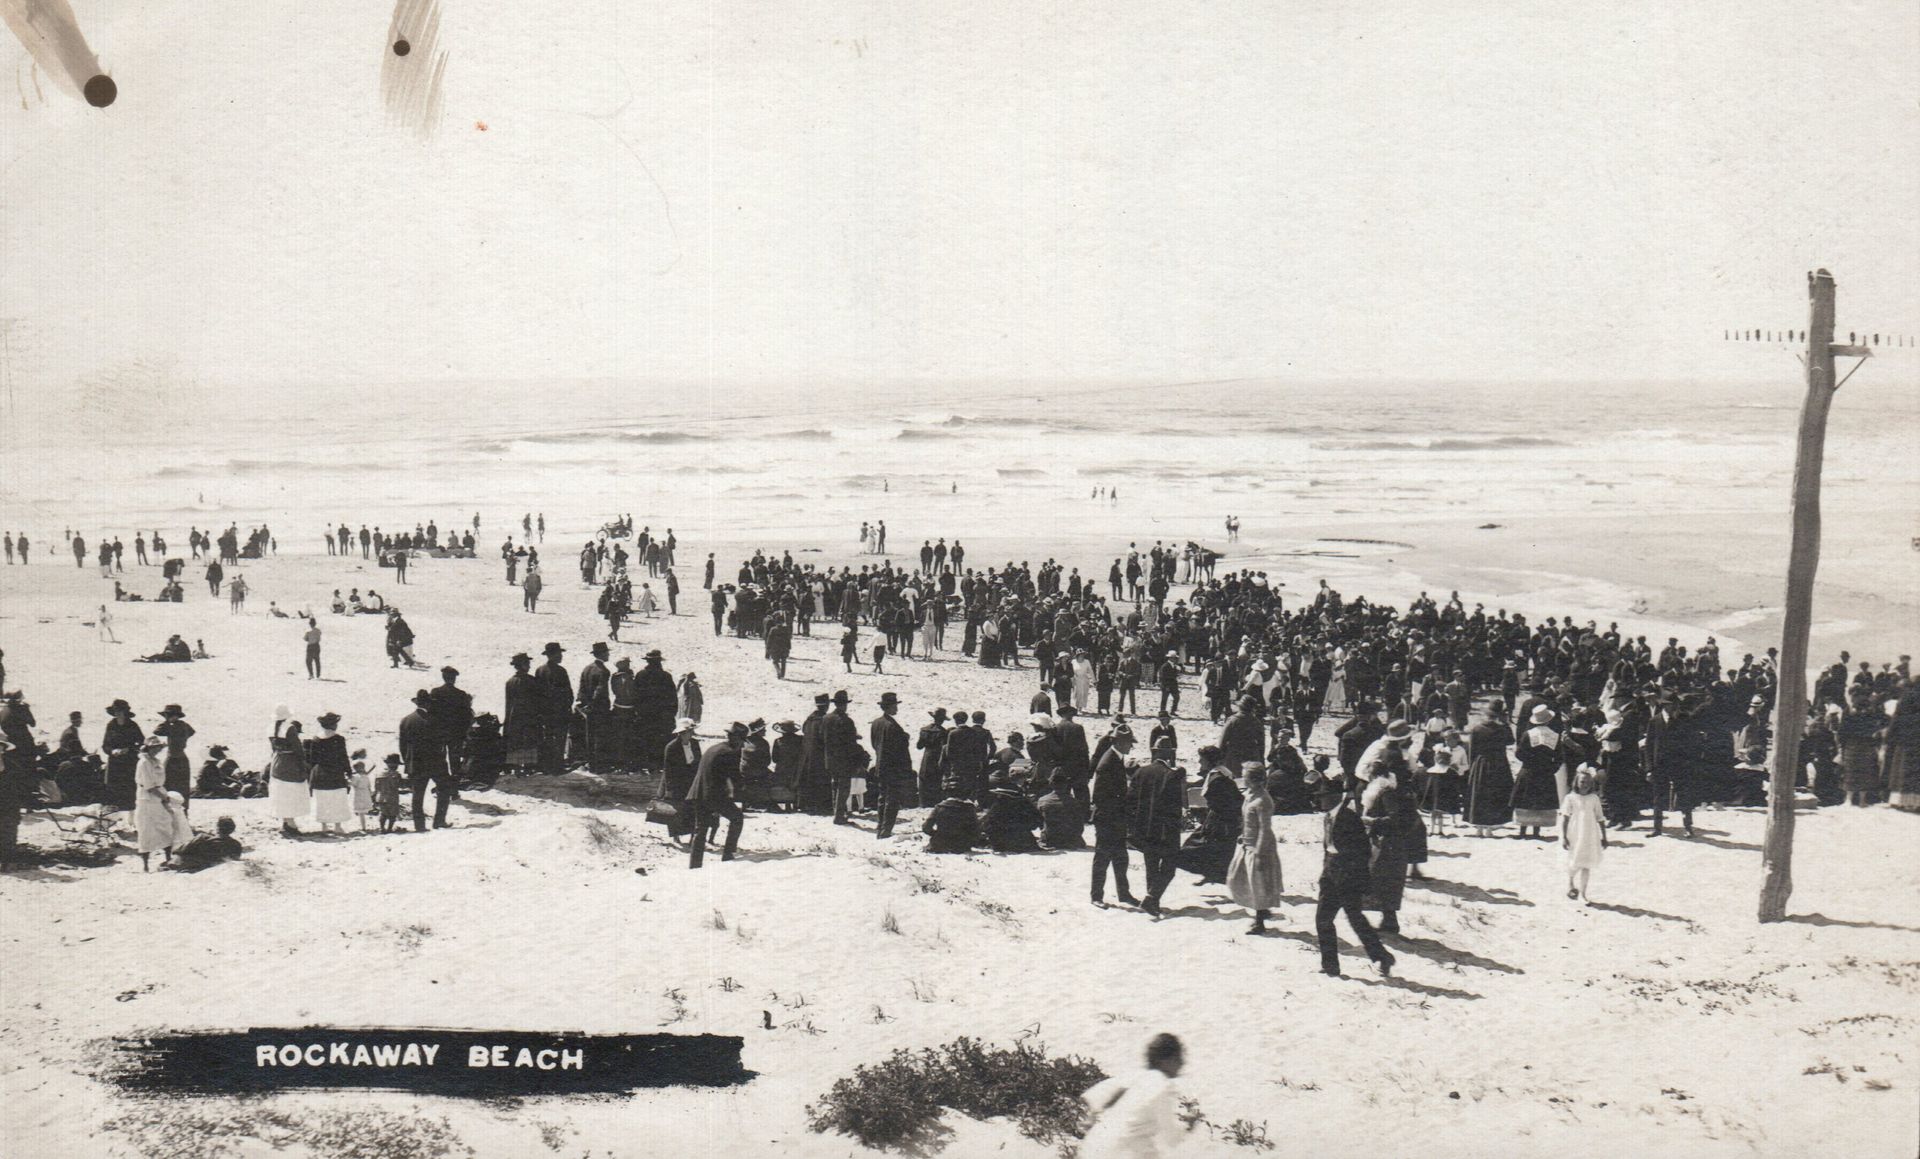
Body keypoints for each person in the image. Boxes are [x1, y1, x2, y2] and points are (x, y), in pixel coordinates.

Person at [1313, 769, 1394, 978]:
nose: (1319, 802)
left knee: (1356, 920)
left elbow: (1362, 852)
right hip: (1330, 874)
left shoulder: (1349, 819)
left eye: (1322, 798)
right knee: (1323, 919)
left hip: (1348, 878)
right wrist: (1325, 872)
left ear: (1334, 798)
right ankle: (1330, 966)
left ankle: (1382, 957)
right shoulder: (1328, 817)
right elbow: (1328, 848)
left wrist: (1352, 878)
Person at [1079, 1033, 1192, 1159]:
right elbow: (1171, 1138)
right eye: (1178, 1058)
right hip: (1122, 1152)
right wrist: (1188, 1127)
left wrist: (1093, 1118)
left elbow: (1096, 1098)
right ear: (1165, 1061)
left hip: (1093, 1146)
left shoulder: (1135, 1076)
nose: (1182, 1063)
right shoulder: (1160, 1084)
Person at [1127, 743, 1186, 916]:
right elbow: (1176, 806)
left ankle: (1152, 902)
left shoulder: (1140, 772)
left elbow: (1130, 801)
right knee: (1169, 867)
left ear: (1153, 752)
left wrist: (1135, 825)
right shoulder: (1172, 775)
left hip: (1145, 829)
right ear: (1169, 754)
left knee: (1151, 866)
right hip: (1166, 829)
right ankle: (1152, 898)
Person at [1227, 764, 1284, 934]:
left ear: (1254, 779)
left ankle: (1259, 922)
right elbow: (1248, 820)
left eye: (1245, 775)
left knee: (1258, 883)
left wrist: (1259, 851)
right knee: (1240, 879)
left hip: (1260, 846)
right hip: (1247, 843)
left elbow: (1265, 828)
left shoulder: (1263, 800)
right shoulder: (1250, 795)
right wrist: (1243, 834)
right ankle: (1263, 911)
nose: (1242, 778)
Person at [686, 722, 746, 868]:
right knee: (737, 818)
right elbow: (734, 777)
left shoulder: (714, 748)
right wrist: (745, 789)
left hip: (697, 793)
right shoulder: (729, 752)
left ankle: (694, 864)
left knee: (700, 829)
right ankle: (728, 854)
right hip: (714, 795)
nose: (742, 745)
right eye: (742, 741)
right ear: (737, 739)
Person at [1090, 723, 1138, 907]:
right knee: (1102, 858)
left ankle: (1124, 894)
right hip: (1107, 819)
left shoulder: (1115, 759)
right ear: (1118, 742)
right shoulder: (1108, 762)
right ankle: (1096, 896)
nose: (1130, 746)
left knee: (1121, 857)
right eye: (1128, 742)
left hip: (1115, 818)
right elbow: (1100, 796)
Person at [399, 689, 455, 831]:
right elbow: (443, 741)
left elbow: (403, 745)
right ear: (428, 704)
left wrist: (408, 762)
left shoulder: (406, 720)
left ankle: (419, 826)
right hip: (435, 762)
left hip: (415, 763)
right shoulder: (436, 720)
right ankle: (439, 821)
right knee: (444, 789)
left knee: (417, 795)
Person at [134, 736, 191, 869]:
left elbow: (160, 782)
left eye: (158, 748)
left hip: (159, 795)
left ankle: (168, 858)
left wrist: (164, 796)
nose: (156, 750)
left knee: (166, 825)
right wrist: (164, 798)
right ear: (148, 748)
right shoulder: (144, 763)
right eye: (154, 748)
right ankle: (146, 865)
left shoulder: (157, 761)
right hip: (146, 798)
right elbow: (148, 785)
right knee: (146, 829)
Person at [1463, 699, 1515, 836]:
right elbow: (1511, 741)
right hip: (1498, 763)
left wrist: (1471, 766)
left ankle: (1479, 827)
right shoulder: (1502, 729)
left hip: (1481, 762)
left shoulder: (1477, 729)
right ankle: (1490, 828)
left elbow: (1471, 750)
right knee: (1494, 795)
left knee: (1479, 795)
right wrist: (1506, 722)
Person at [869, 692, 915, 839]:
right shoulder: (892, 726)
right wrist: (905, 738)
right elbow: (899, 749)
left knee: (882, 797)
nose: (897, 708)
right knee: (892, 799)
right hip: (893, 768)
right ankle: (886, 830)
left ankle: (881, 825)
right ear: (889, 707)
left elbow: (874, 743)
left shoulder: (876, 723)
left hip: (880, 765)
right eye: (895, 705)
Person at [1560, 764, 1608, 902]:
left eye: (1588, 782)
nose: (1584, 785)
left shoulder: (1594, 798)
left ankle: (1583, 894)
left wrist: (1604, 837)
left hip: (1590, 834)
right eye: (1582, 781)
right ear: (1576, 782)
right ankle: (1570, 883)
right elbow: (1565, 817)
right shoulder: (1570, 798)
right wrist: (1563, 836)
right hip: (1574, 833)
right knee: (1574, 861)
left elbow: (1600, 818)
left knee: (1587, 862)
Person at [306, 712, 353, 835]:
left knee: (322, 800)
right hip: (335, 773)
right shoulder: (339, 739)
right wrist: (349, 772)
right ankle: (338, 826)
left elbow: (312, 760)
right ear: (333, 725)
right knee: (337, 799)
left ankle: (324, 826)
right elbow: (344, 758)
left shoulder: (315, 739)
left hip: (320, 773)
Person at [980, 771, 1043, 852]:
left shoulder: (998, 805)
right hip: (1021, 841)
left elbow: (987, 826)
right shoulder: (1023, 803)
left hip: (1000, 844)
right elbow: (1037, 820)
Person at [166, 816, 243, 872]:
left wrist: (176, 851)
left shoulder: (203, 837)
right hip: (216, 864)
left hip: (200, 863)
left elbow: (183, 849)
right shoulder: (237, 844)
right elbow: (235, 857)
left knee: (178, 856)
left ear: (218, 828)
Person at [373, 754, 403, 833]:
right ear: (396, 765)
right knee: (392, 814)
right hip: (392, 797)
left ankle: (382, 828)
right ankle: (389, 828)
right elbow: (398, 785)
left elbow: (376, 787)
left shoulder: (379, 774)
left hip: (381, 797)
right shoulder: (396, 775)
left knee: (383, 813)